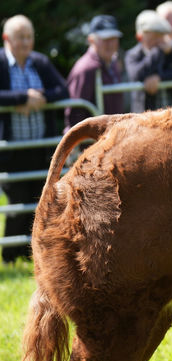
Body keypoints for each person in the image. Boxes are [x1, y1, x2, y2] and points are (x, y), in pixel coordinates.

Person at [0, 15, 68, 263]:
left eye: (29, 36)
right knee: (18, 201)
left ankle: (38, 255)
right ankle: (10, 255)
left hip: (40, 146)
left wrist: (40, 97)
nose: (26, 42)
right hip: (11, 148)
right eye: (20, 37)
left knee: (41, 200)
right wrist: (21, 98)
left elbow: (62, 89)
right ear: (7, 39)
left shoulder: (39, 62)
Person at [125, 10, 172, 112]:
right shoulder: (133, 54)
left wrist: (160, 77)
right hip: (145, 118)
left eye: (160, 35)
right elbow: (136, 74)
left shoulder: (171, 51)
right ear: (140, 37)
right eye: (153, 36)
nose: (159, 40)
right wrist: (157, 52)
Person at [65, 15, 123, 132]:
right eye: (105, 39)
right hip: (91, 144)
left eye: (113, 38)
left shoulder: (113, 64)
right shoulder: (86, 68)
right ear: (91, 40)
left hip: (111, 139)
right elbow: (75, 113)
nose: (110, 44)